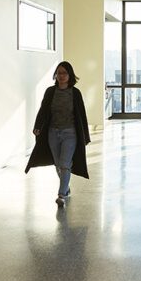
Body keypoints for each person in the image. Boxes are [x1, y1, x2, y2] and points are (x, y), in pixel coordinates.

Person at [26, 61, 92, 206]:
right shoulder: (50, 92)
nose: (61, 76)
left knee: (64, 164)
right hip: (53, 133)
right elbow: (43, 110)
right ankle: (66, 186)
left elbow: (82, 115)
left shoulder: (75, 93)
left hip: (70, 134)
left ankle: (61, 194)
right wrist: (37, 126)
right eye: (59, 73)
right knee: (58, 163)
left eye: (64, 73)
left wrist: (86, 136)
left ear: (70, 75)